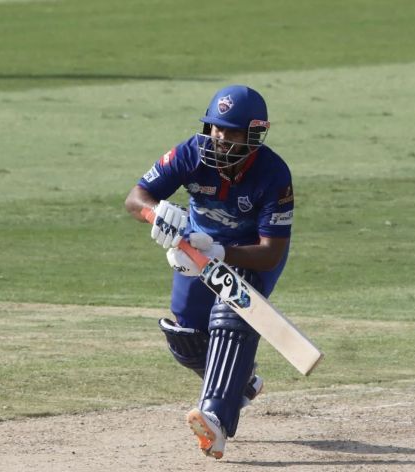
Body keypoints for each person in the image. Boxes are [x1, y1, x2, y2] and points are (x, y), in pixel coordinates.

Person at [124, 85, 295, 459]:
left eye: (231, 132)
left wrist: (220, 252)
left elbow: (270, 253)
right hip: (194, 253)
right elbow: (135, 198)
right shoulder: (190, 153)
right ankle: (243, 380)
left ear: (253, 135)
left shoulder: (273, 174)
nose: (219, 138)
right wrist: (159, 215)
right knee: (184, 337)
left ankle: (215, 419)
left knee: (230, 318)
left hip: (248, 257)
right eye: (215, 128)